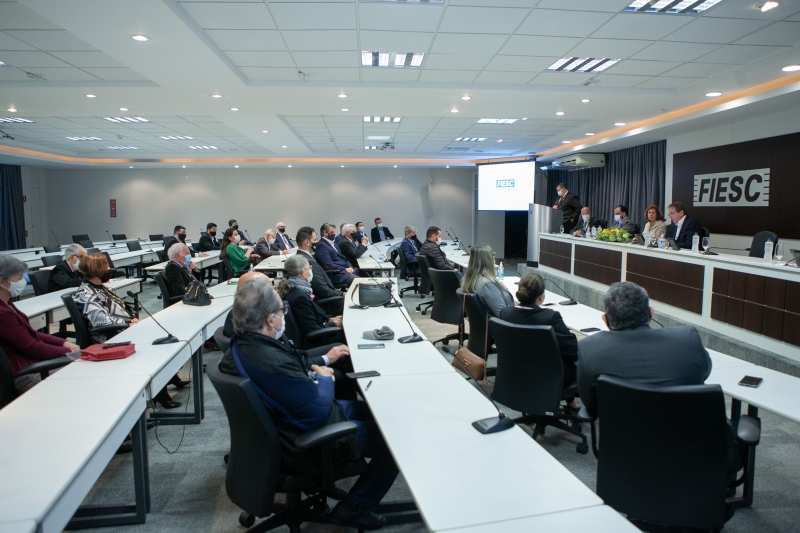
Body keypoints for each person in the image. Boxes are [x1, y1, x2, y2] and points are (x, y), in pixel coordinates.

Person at [219, 278, 397, 530]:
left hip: (287, 426)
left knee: (378, 412)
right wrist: (325, 380)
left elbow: (292, 362)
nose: (284, 315)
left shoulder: (247, 344)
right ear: (270, 319)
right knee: (395, 437)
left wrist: (320, 364)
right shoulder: (271, 362)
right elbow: (316, 411)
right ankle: (355, 506)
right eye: (283, 311)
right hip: (308, 438)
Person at [577, 282, 711, 415]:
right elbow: (704, 374)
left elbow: (590, 402)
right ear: (650, 312)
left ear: (605, 320)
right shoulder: (689, 340)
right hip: (687, 432)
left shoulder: (588, 349)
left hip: (623, 433)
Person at [73, 254, 183, 408]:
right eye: (105, 266)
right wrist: (127, 323)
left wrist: (131, 320)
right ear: (96, 269)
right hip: (109, 337)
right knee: (155, 347)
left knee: (165, 338)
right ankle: (160, 392)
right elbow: (101, 321)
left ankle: (167, 379)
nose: (109, 269)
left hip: (121, 330)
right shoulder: (85, 294)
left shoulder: (100, 288)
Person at [0, 255, 79, 393]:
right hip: (25, 371)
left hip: (31, 362)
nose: (22, 282)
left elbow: (32, 334)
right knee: (79, 374)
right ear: (2, 282)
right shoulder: (3, 313)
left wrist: (63, 343)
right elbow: (31, 347)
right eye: (18, 278)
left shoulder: (7, 304)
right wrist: (68, 351)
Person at [499, 274, 578, 392]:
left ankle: (570, 403)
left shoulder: (505, 313)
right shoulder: (550, 318)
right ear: (541, 297)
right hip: (548, 376)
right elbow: (572, 350)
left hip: (514, 373)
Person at [277, 255, 346, 345]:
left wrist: (330, 319)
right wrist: (334, 324)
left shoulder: (297, 289)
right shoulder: (299, 297)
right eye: (309, 268)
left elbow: (314, 316)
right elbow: (312, 330)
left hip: (323, 327)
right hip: (318, 341)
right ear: (303, 272)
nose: (310, 270)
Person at [296, 226, 344, 314]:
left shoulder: (301, 257)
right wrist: (341, 293)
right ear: (307, 242)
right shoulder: (308, 262)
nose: (317, 242)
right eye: (315, 240)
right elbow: (324, 291)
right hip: (326, 304)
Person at [461, 243, 513, 317]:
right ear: (488, 260)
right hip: (501, 325)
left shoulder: (471, 279)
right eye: (492, 255)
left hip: (487, 324)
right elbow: (503, 315)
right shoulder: (487, 285)